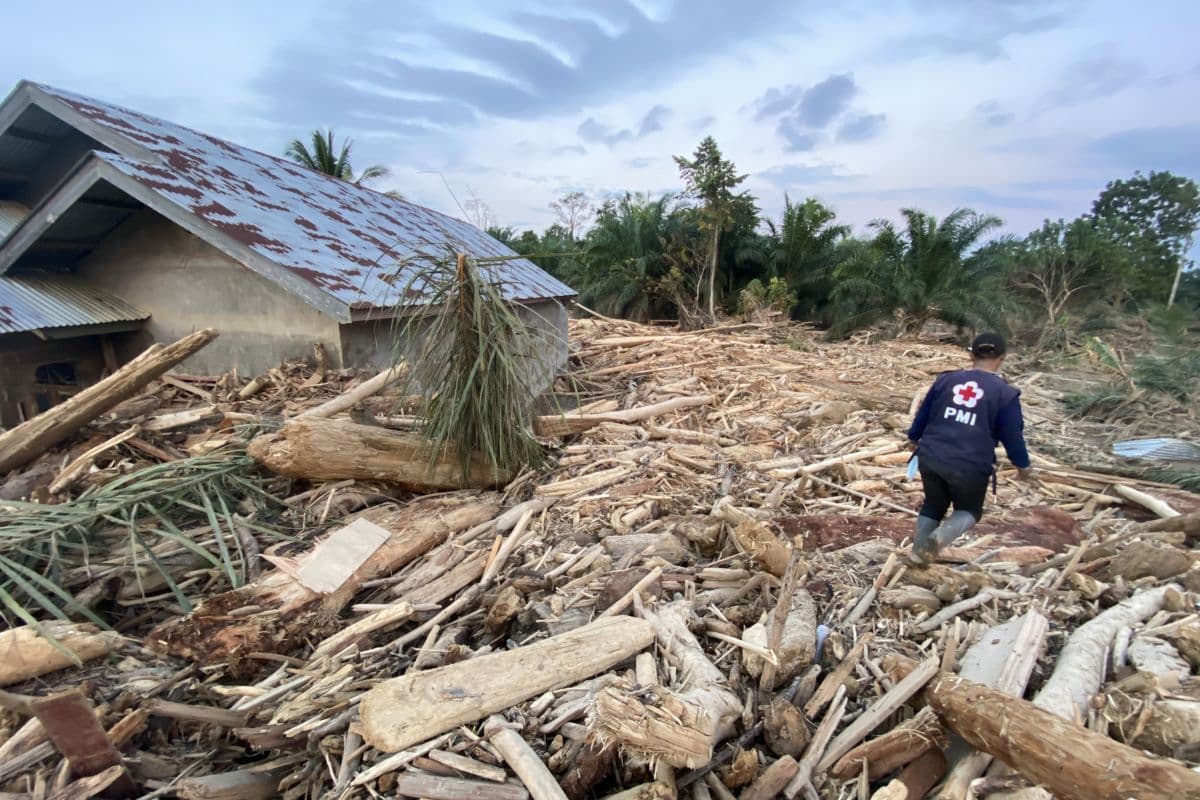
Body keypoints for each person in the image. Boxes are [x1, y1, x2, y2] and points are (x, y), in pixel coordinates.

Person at [905, 332, 1032, 566]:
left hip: (932, 455)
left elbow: (924, 413)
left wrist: (913, 437)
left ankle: (918, 553)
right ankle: (938, 540)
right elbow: (1012, 435)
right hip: (970, 465)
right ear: (1002, 358)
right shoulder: (1005, 393)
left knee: (933, 505)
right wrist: (1022, 465)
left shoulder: (946, 380)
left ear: (971, 355)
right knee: (968, 510)